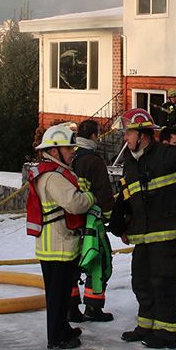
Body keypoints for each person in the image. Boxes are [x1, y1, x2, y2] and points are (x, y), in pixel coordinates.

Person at [118, 108, 176, 349]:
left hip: (165, 234)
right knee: (141, 282)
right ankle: (146, 325)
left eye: (128, 132)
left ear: (142, 134)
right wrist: (125, 225)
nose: (125, 138)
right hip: (142, 235)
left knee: (163, 283)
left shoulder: (162, 154)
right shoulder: (130, 161)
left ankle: (167, 333)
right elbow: (130, 197)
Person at [28, 123, 96, 350]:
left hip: (55, 244)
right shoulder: (53, 176)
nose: (72, 152)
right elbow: (74, 203)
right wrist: (90, 198)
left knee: (61, 293)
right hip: (58, 245)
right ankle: (56, 337)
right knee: (57, 297)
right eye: (68, 149)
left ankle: (63, 329)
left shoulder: (48, 172)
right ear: (55, 150)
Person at [69, 119, 117, 323]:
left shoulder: (69, 156)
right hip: (91, 221)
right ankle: (93, 306)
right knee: (99, 261)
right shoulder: (93, 161)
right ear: (93, 136)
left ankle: (71, 309)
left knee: (71, 264)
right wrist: (109, 218)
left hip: (69, 221)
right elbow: (104, 195)